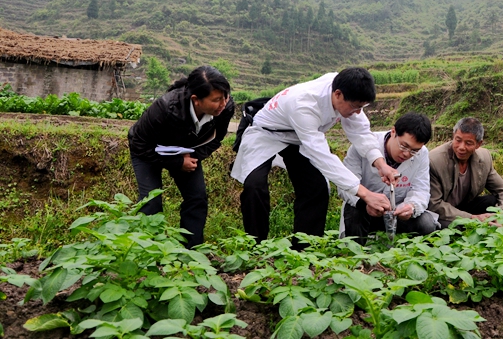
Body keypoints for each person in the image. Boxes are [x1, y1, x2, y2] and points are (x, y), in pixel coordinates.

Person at [231, 67, 395, 244]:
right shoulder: (304, 104)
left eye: (361, 108)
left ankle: (305, 249)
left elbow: (361, 132)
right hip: (266, 133)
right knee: (254, 185)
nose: (357, 112)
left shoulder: (345, 88)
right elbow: (322, 156)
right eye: (355, 107)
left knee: (316, 188)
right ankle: (256, 246)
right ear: (338, 94)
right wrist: (364, 193)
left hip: (299, 139)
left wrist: (380, 164)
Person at [128, 65, 235, 248]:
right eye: (216, 99)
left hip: (185, 150)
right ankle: (147, 251)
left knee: (197, 198)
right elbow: (138, 143)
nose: (223, 103)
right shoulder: (165, 108)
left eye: (225, 96)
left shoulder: (225, 108)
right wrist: (177, 162)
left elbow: (216, 139)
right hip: (148, 150)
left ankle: (191, 252)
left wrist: (190, 157)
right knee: (151, 201)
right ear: (196, 100)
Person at [339, 112, 439, 244]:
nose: (406, 154)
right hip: (366, 210)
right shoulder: (364, 146)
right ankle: (356, 256)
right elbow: (344, 187)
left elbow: (421, 190)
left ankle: (414, 257)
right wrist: (366, 202)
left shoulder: (422, 154)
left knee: (427, 223)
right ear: (393, 132)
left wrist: (411, 206)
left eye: (414, 151)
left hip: (397, 213)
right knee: (354, 211)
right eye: (404, 146)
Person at [428, 117, 503, 228]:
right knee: (454, 226)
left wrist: (501, 215)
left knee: (491, 201)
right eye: (458, 140)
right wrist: (471, 218)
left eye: (468, 143)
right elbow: (434, 204)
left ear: (478, 144)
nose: (461, 147)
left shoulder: (484, 158)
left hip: (466, 206)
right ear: (453, 136)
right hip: (444, 212)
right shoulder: (435, 160)